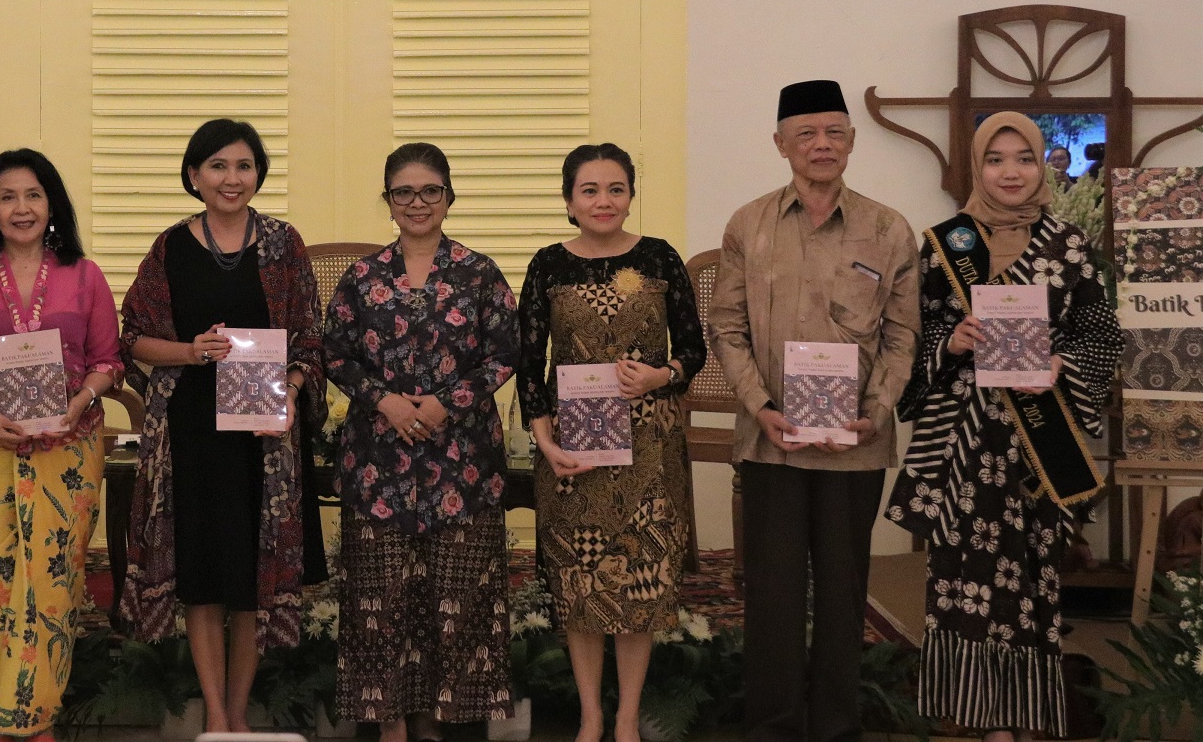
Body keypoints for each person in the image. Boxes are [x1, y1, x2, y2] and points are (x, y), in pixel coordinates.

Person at [885, 113, 1121, 742]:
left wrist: (1057, 363)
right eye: (995, 159)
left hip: (1037, 442)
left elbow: (1101, 337)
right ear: (976, 166)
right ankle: (968, 712)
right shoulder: (945, 246)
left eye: (1023, 157)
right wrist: (951, 340)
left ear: (1043, 163)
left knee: (1031, 572)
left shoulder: (1069, 246)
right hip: (962, 440)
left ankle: (1020, 715)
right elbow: (908, 337)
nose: (1010, 172)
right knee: (959, 574)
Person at [709, 79, 919, 742]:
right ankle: (772, 726)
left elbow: (903, 333)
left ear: (852, 141)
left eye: (834, 131)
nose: (822, 144)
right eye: (807, 133)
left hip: (855, 441)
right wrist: (760, 406)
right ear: (781, 144)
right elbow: (728, 327)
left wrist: (878, 408)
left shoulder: (888, 229)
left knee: (842, 591)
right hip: (773, 440)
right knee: (771, 593)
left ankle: (835, 727)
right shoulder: (748, 225)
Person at [116, 118, 324, 735]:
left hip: (264, 438)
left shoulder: (284, 244)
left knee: (251, 577)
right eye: (217, 166)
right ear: (193, 176)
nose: (231, 179)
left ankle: (239, 708)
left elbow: (311, 340)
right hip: (192, 437)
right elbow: (133, 337)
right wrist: (190, 351)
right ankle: (216, 713)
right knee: (204, 578)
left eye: (243, 166)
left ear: (257, 174)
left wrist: (291, 394)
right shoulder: (170, 248)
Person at [323, 143, 519, 742]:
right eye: (403, 192)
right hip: (377, 462)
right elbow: (333, 352)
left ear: (448, 197)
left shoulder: (478, 271)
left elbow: (507, 351)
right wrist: (382, 399)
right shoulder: (362, 276)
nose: (417, 203)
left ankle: (441, 721)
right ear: (387, 201)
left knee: (455, 599)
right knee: (378, 600)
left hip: (461, 463)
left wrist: (446, 402)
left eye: (429, 191)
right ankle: (386, 725)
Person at [517, 143, 707, 742]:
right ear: (569, 200)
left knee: (639, 582)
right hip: (573, 448)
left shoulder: (659, 258)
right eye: (590, 190)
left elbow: (694, 348)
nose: (604, 201)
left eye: (616, 188)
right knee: (580, 581)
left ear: (630, 195)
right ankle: (590, 717)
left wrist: (662, 375)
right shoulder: (548, 264)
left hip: (650, 448)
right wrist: (543, 442)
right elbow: (529, 363)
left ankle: (626, 718)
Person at [0, 149, 122, 742]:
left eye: (34, 195)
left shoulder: (85, 276)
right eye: (8, 197)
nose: (22, 208)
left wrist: (79, 404)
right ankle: (2, 720)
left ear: (52, 205)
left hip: (68, 448)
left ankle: (35, 720)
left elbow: (108, 362)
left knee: (54, 574)